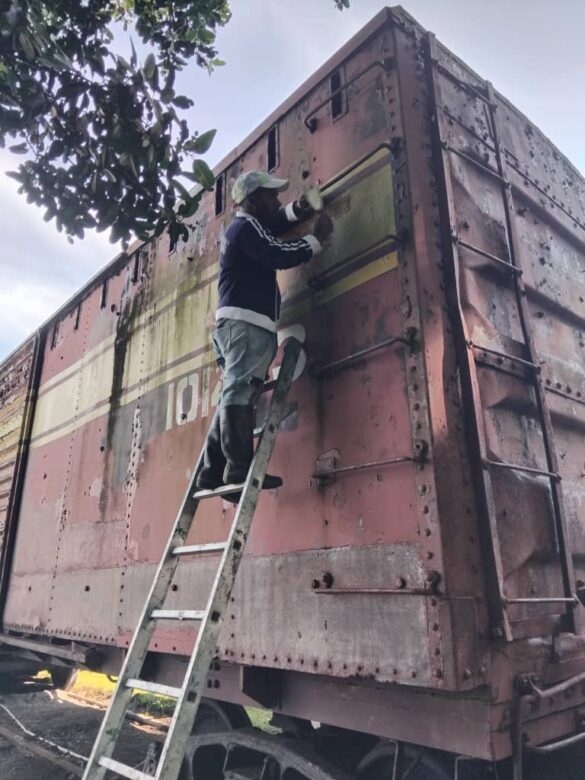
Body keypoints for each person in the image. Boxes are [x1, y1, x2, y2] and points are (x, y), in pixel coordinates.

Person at [196, 170, 334, 496]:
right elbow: (275, 251)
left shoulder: (245, 227)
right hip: (247, 325)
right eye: (271, 195)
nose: (276, 200)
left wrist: (299, 209)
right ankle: (238, 471)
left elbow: (272, 225)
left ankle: (211, 473)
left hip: (236, 325)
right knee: (239, 393)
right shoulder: (246, 228)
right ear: (253, 199)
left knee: (234, 392)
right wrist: (317, 240)